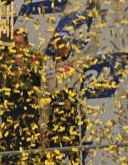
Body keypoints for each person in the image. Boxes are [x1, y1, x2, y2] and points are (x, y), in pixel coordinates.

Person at [40, 34, 87, 164]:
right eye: (58, 43)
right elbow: (44, 98)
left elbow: (92, 50)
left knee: (75, 156)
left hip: (72, 113)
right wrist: (43, 125)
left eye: (64, 43)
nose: (61, 47)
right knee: (52, 157)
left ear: (69, 45)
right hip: (54, 116)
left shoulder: (75, 61)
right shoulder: (47, 66)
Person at [0, 29, 42, 163]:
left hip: (29, 113)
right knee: (10, 154)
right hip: (10, 114)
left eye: (19, 42)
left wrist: (24, 67)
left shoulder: (34, 58)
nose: (16, 45)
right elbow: (1, 91)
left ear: (26, 43)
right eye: (14, 42)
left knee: (29, 153)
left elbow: (39, 82)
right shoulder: (5, 59)